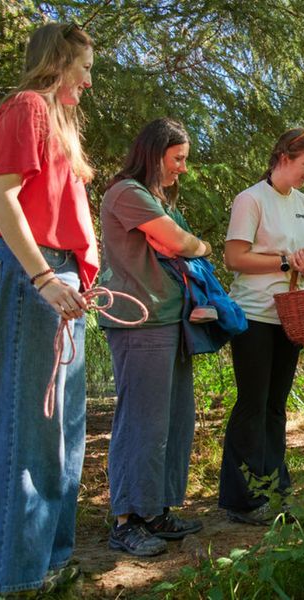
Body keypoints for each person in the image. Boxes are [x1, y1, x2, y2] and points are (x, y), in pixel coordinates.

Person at [0, 22, 96, 598]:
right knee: (26, 430)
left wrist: (66, 277)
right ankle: (9, 580)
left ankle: (47, 568)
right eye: (84, 67)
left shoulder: (60, 125)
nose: (89, 80)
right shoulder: (27, 107)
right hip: (34, 276)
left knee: (63, 434)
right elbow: (3, 196)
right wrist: (45, 276)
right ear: (58, 61)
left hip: (57, 281)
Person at [98, 118, 210, 556]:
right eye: (177, 158)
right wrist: (197, 244)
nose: (182, 167)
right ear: (154, 152)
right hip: (138, 321)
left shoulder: (155, 198)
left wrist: (187, 242)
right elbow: (180, 243)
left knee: (174, 420)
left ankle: (156, 511)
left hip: (170, 319)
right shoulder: (127, 193)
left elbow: (176, 241)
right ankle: (126, 520)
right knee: (142, 422)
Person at [219, 127, 304, 525]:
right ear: (283, 158)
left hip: (290, 317)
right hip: (254, 315)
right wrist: (283, 261)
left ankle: (275, 490)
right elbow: (234, 258)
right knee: (252, 404)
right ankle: (241, 500)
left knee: (276, 405)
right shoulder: (250, 199)